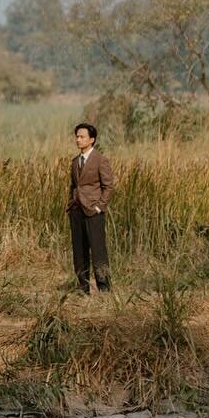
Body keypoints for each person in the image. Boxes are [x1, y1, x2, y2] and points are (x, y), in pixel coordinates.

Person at [67, 121, 113, 294]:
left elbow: (109, 186)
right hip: (76, 211)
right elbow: (73, 186)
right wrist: (71, 205)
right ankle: (82, 288)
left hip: (93, 212)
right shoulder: (74, 161)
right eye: (77, 137)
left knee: (98, 251)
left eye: (81, 137)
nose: (78, 140)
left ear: (91, 139)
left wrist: (99, 208)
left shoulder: (100, 160)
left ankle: (105, 289)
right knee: (79, 252)